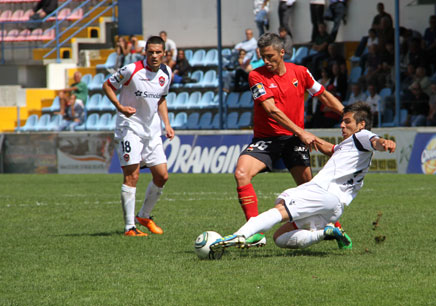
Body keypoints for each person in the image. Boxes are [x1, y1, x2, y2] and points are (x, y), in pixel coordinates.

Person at [211, 102, 396, 252]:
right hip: (335, 208)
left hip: (322, 192)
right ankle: (325, 233)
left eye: (347, 122)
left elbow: (375, 141)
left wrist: (383, 142)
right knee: (280, 238)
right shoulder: (348, 147)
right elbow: (329, 149)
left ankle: (239, 235)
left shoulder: (362, 136)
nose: (342, 125)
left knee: (280, 208)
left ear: (361, 124)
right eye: (342, 121)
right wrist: (307, 136)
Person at [234, 33, 345, 248]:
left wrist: (348, 114)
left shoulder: (300, 72)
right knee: (241, 173)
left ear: (282, 52)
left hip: (293, 140)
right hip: (266, 139)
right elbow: (270, 110)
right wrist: (301, 132)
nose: (266, 61)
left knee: (310, 189)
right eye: (263, 56)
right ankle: (254, 231)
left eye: (270, 56)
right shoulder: (256, 76)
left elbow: (322, 94)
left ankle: (337, 228)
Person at [102, 36, 175, 237]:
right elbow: (107, 85)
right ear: (145, 53)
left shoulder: (167, 72)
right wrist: (120, 107)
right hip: (129, 128)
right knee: (132, 175)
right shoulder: (131, 70)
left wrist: (167, 124)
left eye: (158, 52)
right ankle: (129, 228)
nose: (154, 55)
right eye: (150, 52)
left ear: (164, 53)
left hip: (151, 131)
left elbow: (161, 99)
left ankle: (144, 216)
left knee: (162, 176)